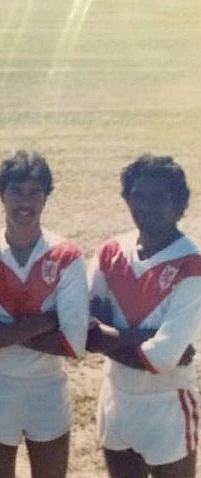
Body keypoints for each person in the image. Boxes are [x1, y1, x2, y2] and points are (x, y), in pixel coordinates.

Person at [0, 150, 88, 478]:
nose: (24, 202)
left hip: (48, 389)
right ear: (1, 195)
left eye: (34, 192)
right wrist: (45, 321)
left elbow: (73, 344)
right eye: (16, 191)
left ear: (46, 197)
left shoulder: (66, 256)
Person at [86, 154, 201, 478]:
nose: (146, 205)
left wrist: (104, 337)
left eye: (158, 197)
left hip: (167, 405)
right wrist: (149, 338)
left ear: (179, 205)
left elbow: (163, 358)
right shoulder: (110, 253)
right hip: (116, 399)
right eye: (138, 196)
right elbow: (82, 329)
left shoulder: (191, 263)